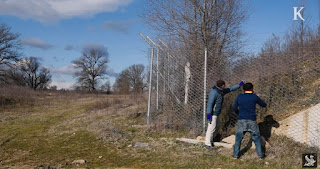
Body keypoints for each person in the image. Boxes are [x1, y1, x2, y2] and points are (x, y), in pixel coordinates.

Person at [205, 80, 244, 149]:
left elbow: (230, 89)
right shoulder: (214, 92)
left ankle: (211, 140)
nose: (225, 86)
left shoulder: (220, 91)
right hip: (212, 113)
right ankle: (207, 144)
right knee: (211, 128)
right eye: (224, 85)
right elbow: (210, 103)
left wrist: (239, 85)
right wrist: (209, 114)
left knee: (216, 126)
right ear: (222, 85)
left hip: (216, 113)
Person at [232, 82, 267, 159]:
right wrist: (257, 97)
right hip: (252, 120)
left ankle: (235, 155)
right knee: (256, 138)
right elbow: (264, 104)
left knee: (238, 138)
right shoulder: (254, 97)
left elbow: (234, 107)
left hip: (242, 120)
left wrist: (238, 113)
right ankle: (260, 155)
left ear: (244, 89)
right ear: (252, 89)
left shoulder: (240, 96)